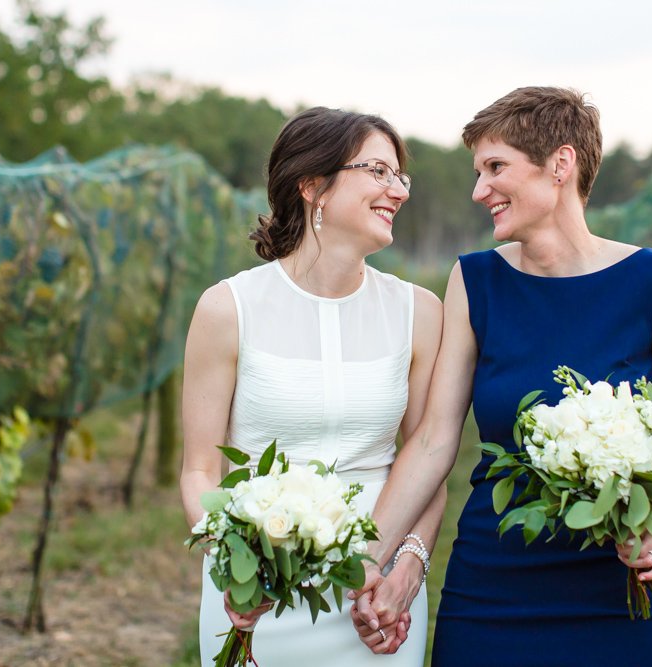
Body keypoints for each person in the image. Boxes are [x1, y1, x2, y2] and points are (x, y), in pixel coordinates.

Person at [351, 87, 652, 665]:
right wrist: (371, 559)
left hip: (615, 588)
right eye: (477, 173)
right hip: (490, 590)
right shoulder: (475, 281)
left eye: (496, 167)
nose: (479, 191)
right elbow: (433, 439)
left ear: (560, 165)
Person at [180, 106, 446, 665]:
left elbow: (429, 458)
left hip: (376, 593)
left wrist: (408, 570)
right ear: (312, 185)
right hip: (258, 588)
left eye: (400, 176)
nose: (397, 190)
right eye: (377, 171)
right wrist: (230, 564)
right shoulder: (228, 308)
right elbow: (200, 470)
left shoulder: (419, 312)